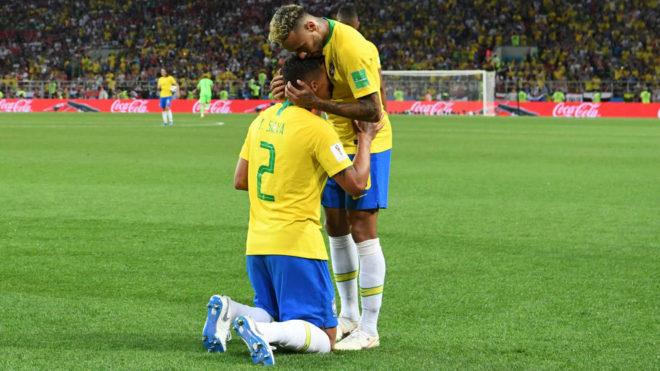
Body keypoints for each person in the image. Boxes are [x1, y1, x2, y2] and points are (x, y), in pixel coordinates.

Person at [202, 55, 381, 365]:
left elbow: (240, 180)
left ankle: (229, 311)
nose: (334, 86)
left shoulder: (262, 119)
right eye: (328, 80)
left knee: (273, 312)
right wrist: (364, 139)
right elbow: (356, 185)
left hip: (257, 244)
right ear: (312, 86)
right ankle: (260, 332)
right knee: (325, 336)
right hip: (297, 245)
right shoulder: (318, 130)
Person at [268, 4, 392, 350]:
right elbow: (311, 86)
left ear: (311, 26)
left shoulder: (350, 47)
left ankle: (370, 327)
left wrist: (318, 104)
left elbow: (373, 109)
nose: (302, 53)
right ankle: (349, 314)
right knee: (335, 226)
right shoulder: (313, 46)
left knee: (362, 228)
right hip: (331, 139)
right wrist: (287, 87)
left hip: (368, 136)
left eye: (301, 47)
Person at [337, 4, 387, 111]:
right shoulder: (370, 47)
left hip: (342, 118)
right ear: (357, 24)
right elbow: (380, 86)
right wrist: (385, 115)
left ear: (337, 23)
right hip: (375, 116)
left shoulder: (330, 49)